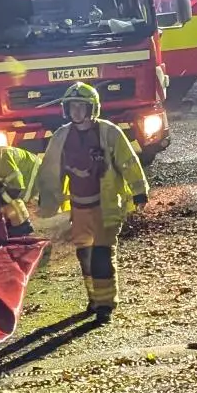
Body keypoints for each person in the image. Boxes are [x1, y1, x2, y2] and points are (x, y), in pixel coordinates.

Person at [28, 83, 148, 323]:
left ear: (92, 109)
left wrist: (139, 191)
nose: (76, 112)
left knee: (102, 256)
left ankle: (105, 306)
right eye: (72, 107)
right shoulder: (61, 136)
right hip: (79, 209)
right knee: (85, 256)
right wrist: (44, 198)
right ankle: (94, 298)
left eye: (81, 107)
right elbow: (50, 170)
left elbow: (128, 162)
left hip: (105, 207)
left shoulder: (109, 132)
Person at [0, 144, 40, 233]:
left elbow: (16, 187)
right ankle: (18, 224)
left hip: (33, 173)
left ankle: (22, 226)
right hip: (28, 172)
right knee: (4, 195)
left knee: (6, 196)